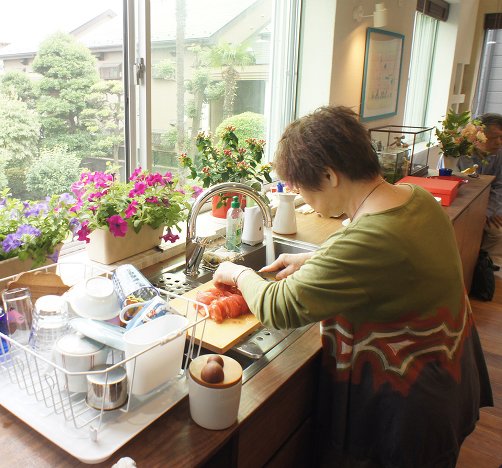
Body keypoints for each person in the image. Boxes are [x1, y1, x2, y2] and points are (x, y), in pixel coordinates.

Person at [214, 105, 493, 468]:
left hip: (407, 412)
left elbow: (278, 307)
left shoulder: (371, 237)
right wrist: (311, 260)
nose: (304, 200)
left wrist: (236, 274)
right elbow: (390, 265)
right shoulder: (414, 197)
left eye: (301, 189)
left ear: (329, 176)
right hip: (448, 381)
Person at [457, 113, 502, 269]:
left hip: (492, 206)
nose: (499, 142)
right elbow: (454, 184)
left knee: (496, 231)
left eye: (501, 137)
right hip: (463, 205)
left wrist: (487, 212)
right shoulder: (459, 153)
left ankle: (487, 269)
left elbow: (500, 187)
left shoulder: (500, 154)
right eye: (494, 137)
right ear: (477, 138)